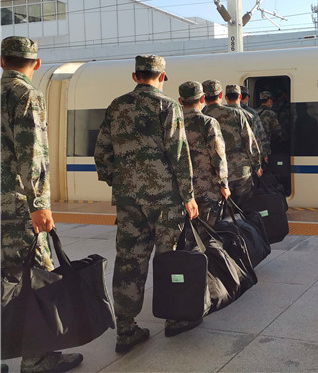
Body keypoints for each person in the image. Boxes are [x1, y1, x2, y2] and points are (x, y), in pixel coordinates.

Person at [94, 55, 201, 353]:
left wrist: (119, 182)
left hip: (128, 200)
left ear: (135, 76)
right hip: (165, 200)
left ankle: (126, 329)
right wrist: (188, 196)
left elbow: (101, 152)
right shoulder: (168, 106)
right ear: (162, 77)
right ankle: (175, 317)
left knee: (129, 260)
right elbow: (179, 154)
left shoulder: (117, 106)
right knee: (170, 258)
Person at [1, 36, 84, 373]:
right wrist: (39, 204)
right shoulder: (26, 95)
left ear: (2, 61)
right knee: (37, 276)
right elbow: (32, 152)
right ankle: (37, 358)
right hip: (16, 207)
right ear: (36, 63)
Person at [178, 81, 230, 223]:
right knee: (208, 232)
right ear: (202, 98)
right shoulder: (208, 122)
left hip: (181, 193)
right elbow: (218, 155)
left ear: (180, 101)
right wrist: (224, 184)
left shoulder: (173, 123)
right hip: (207, 190)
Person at [202, 81, 262, 205]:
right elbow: (250, 142)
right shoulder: (236, 114)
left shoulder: (201, 117)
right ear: (220, 95)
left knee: (221, 211)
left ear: (203, 97)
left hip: (213, 175)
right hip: (240, 171)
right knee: (245, 209)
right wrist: (257, 165)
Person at [240, 86, 270, 162]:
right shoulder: (252, 113)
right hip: (249, 156)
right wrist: (264, 154)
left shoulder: (225, 112)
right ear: (247, 97)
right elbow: (259, 135)